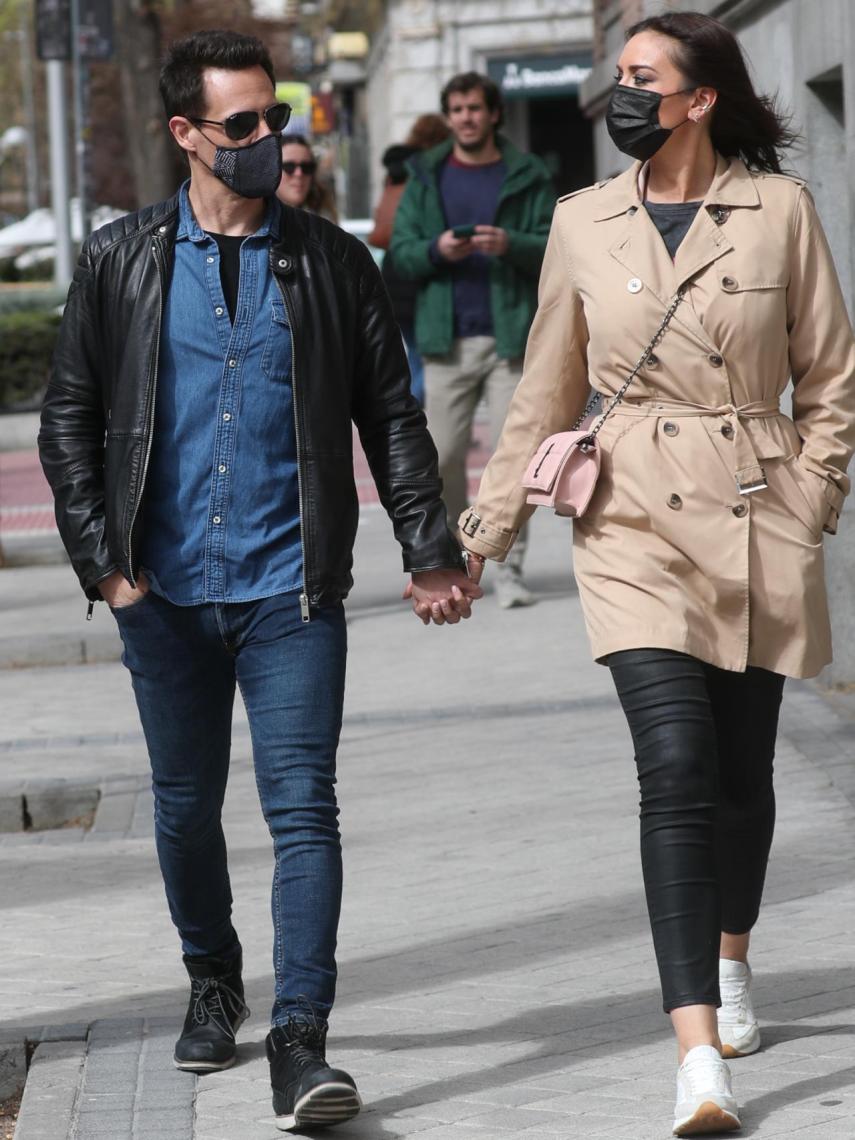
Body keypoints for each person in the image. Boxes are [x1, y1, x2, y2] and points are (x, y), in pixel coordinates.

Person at [38, 29, 481, 1134]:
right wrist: (108, 566)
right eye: (241, 126)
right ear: (186, 134)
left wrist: (427, 548)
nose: (266, 141)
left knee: (304, 812)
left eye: (272, 120)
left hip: (293, 592)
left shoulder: (332, 261)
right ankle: (211, 977)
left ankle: (302, 1042)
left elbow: (390, 414)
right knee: (186, 813)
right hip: (168, 596)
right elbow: (69, 421)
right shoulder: (118, 259)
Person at [452, 11, 855, 1137]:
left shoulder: (779, 211)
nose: (621, 94)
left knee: (741, 768)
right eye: (616, 77)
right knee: (674, 767)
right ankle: (696, 1062)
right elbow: (542, 392)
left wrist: (812, 503)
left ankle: (732, 960)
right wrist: (482, 536)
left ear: (697, 98)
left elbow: (832, 377)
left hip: (757, 509)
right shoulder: (583, 222)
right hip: (630, 523)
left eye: (642, 78)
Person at [391, 72, 553, 609]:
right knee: (444, 456)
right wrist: (438, 250)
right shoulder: (427, 175)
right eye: (457, 109)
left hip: (511, 335)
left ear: (494, 114)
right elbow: (401, 254)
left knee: (516, 461)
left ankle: (509, 571)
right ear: (449, 115)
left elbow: (558, 244)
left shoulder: (525, 173)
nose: (466, 117)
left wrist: (512, 244)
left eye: (475, 108)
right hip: (446, 338)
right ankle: (459, 557)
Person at [368, 114, 451, 406]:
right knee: (426, 362)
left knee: (415, 356)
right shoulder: (429, 173)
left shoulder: (396, 170)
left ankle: (416, 416)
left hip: (393, 273)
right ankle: (412, 418)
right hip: (420, 281)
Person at [276, 133, 338, 222]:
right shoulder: (255, 220)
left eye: (307, 167)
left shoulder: (325, 221)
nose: (299, 174)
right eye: (289, 167)